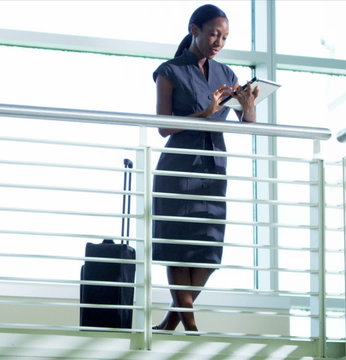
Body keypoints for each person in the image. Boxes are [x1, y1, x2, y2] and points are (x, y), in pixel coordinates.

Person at [151, 4, 259, 333]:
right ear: (194, 29)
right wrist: (205, 113)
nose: (219, 41)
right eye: (214, 33)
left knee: (208, 248)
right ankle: (191, 326)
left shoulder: (226, 75)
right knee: (178, 245)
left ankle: (172, 320)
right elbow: (164, 127)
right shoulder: (169, 71)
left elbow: (247, 123)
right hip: (179, 164)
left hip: (214, 165)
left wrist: (248, 105)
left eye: (224, 37)